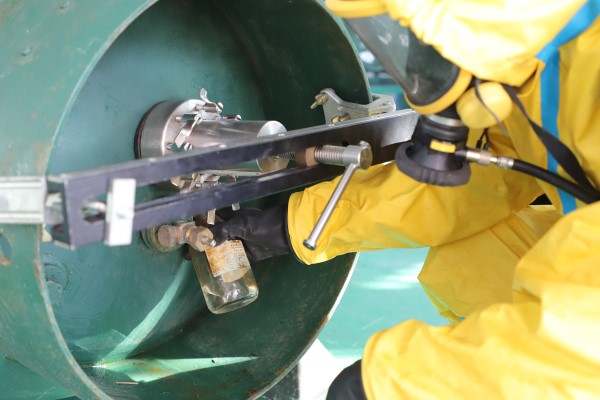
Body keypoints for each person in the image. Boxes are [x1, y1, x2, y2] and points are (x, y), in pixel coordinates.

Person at [211, 0, 600, 398]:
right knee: (477, 250)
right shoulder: (530, 55)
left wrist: (401, 386)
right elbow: (480, 178)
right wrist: (295, 225)